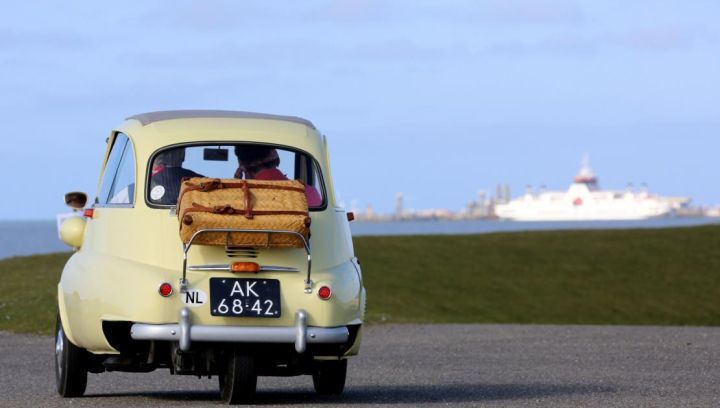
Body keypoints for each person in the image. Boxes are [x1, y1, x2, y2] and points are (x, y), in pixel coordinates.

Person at [234, 146, 322, 207]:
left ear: (243, 167)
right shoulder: (308, 192)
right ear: (277, 159)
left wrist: (235, 188)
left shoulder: (237, 199)